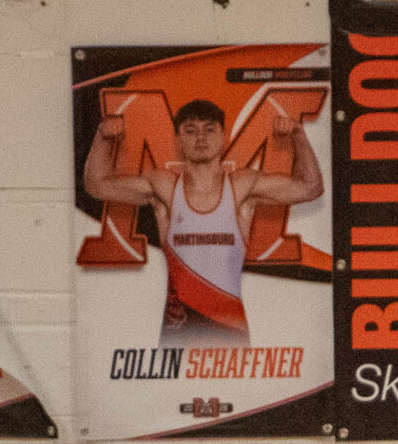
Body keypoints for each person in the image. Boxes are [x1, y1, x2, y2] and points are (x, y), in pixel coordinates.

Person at [80, 98, 323, 348]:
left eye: (209, 129)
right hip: (179, 330)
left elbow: (311, 187)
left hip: (230, 332)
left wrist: (298, 134)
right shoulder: (165, 188)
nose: (201, 137)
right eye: (190, 130)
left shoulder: (241, 188)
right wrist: (102, 137)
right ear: (178, 140)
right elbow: (97, 186)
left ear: (223, 137)